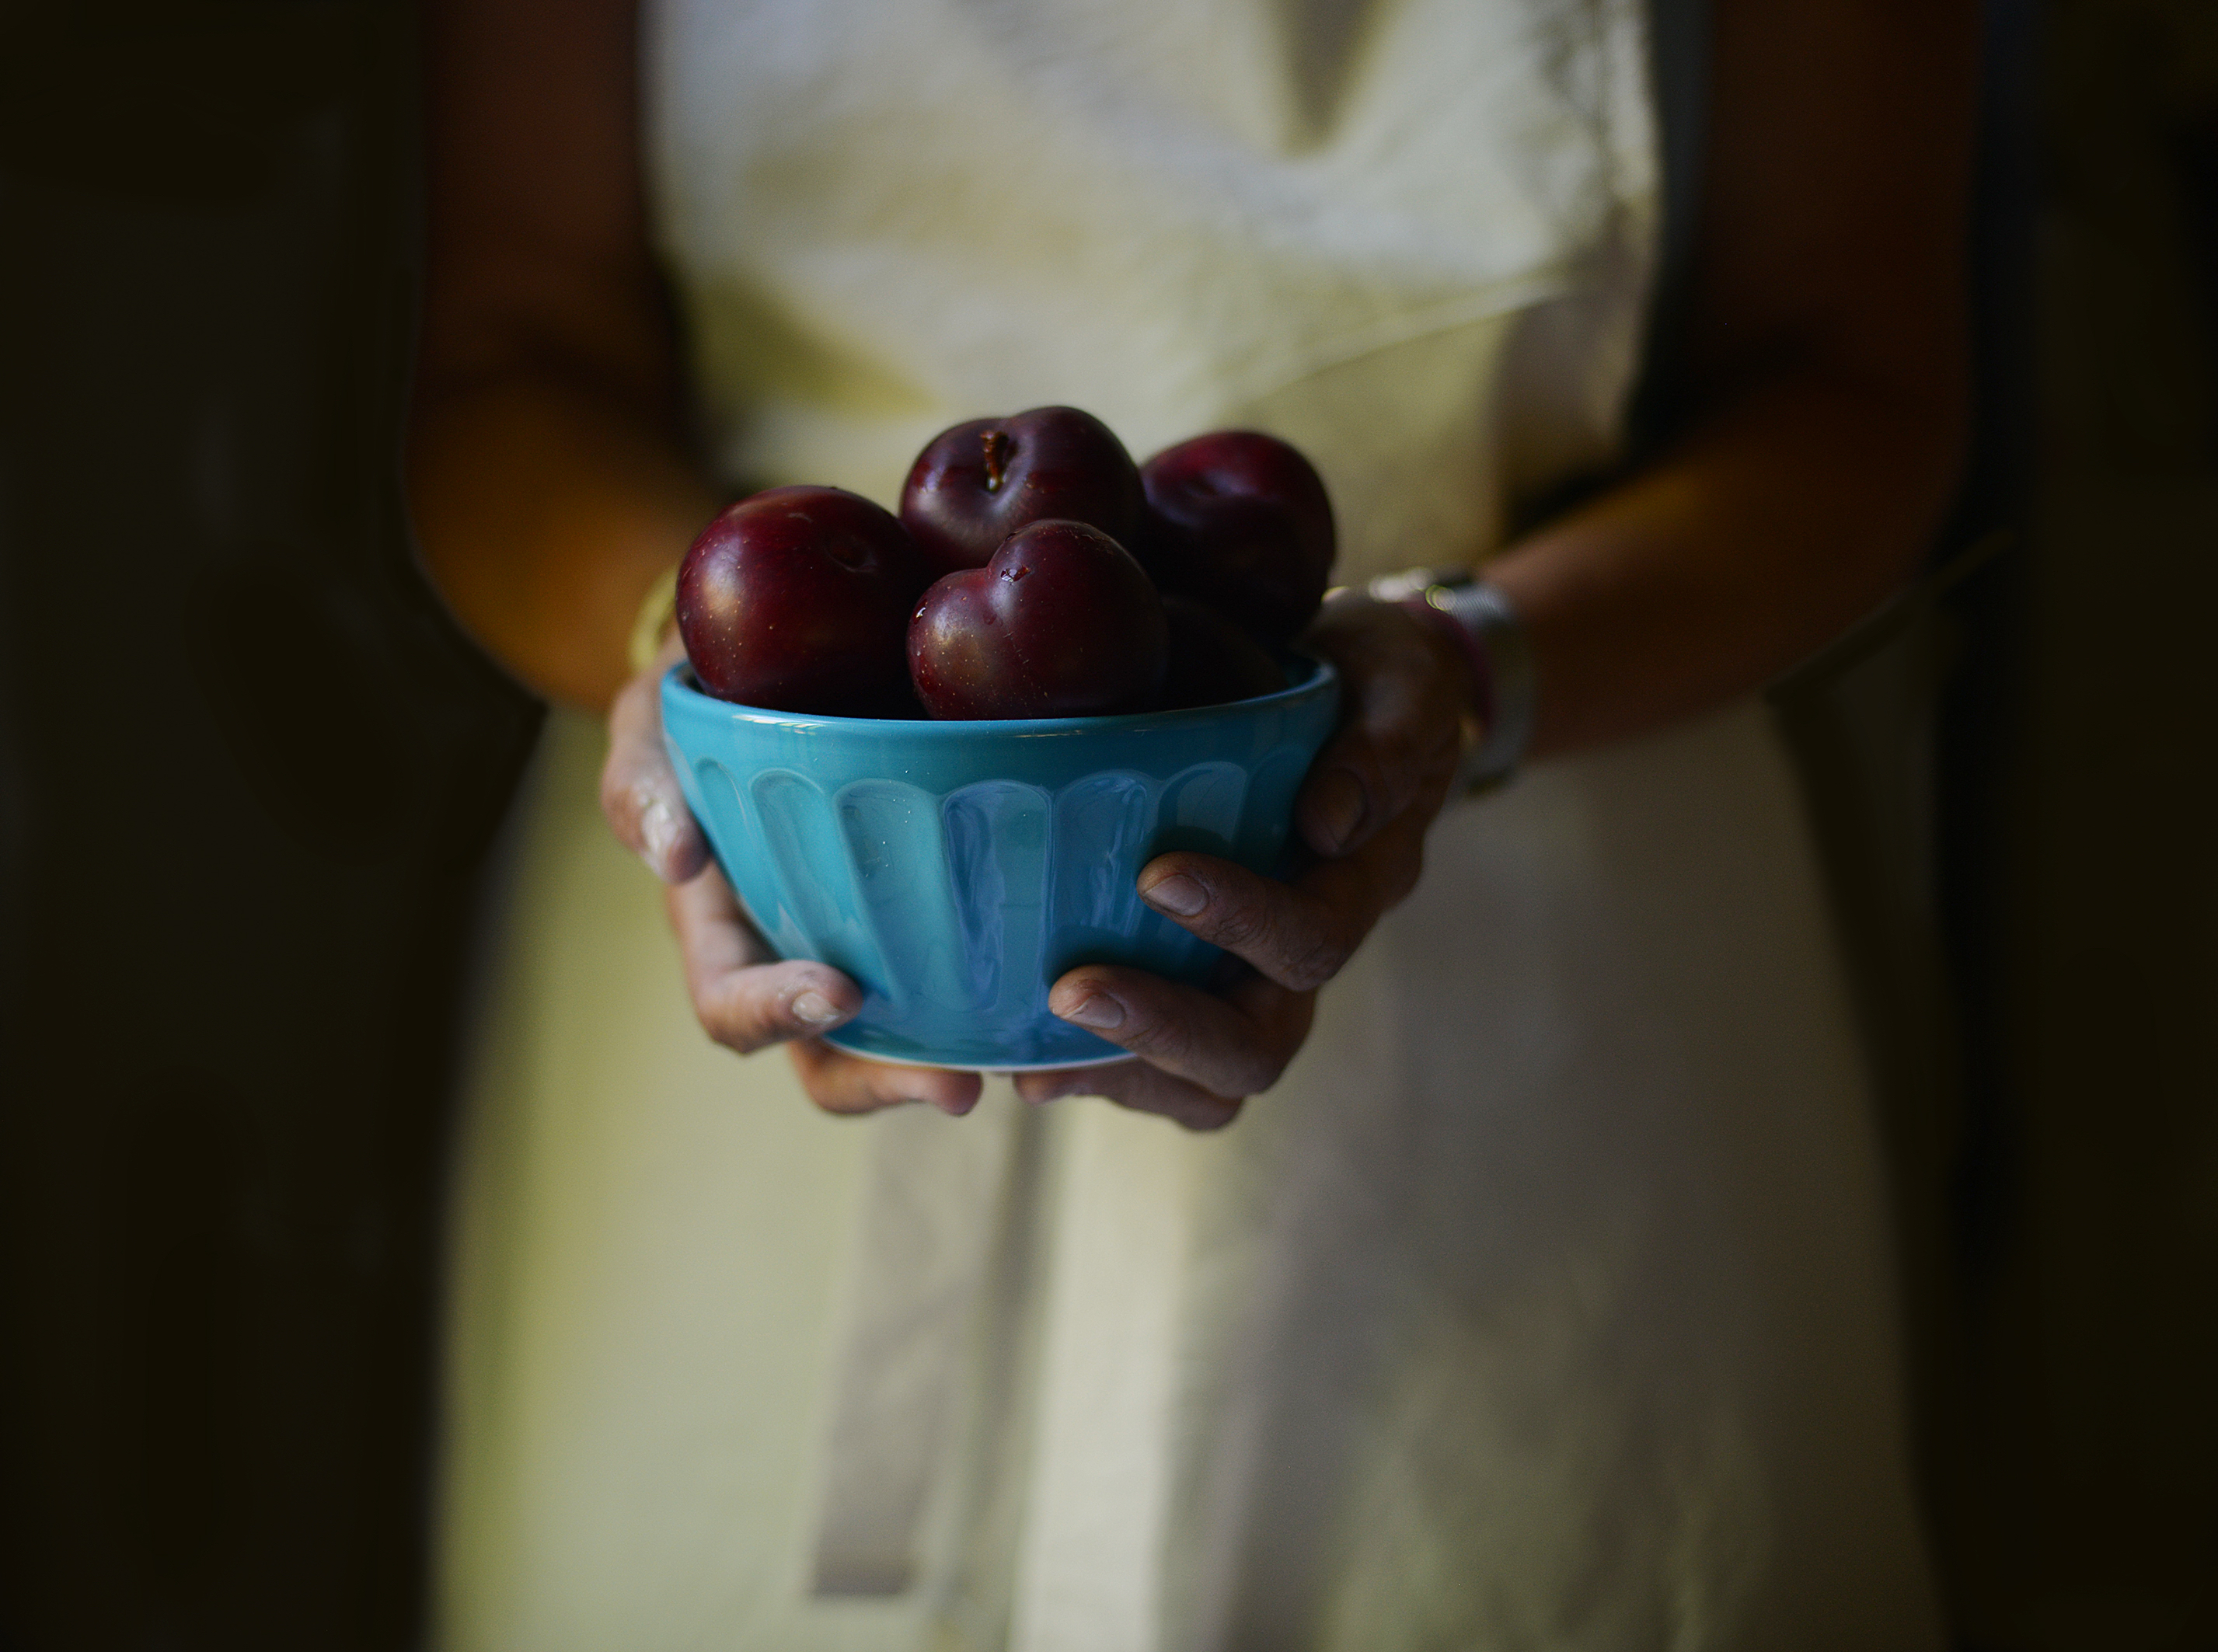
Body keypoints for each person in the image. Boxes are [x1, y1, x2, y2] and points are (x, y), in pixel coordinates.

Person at [409, 0, 1977, 1644]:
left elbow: (1851, 377)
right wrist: (687, 670)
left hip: (1527, 1018)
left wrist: (1467, 663)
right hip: (781, 922)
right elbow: (509, 357)